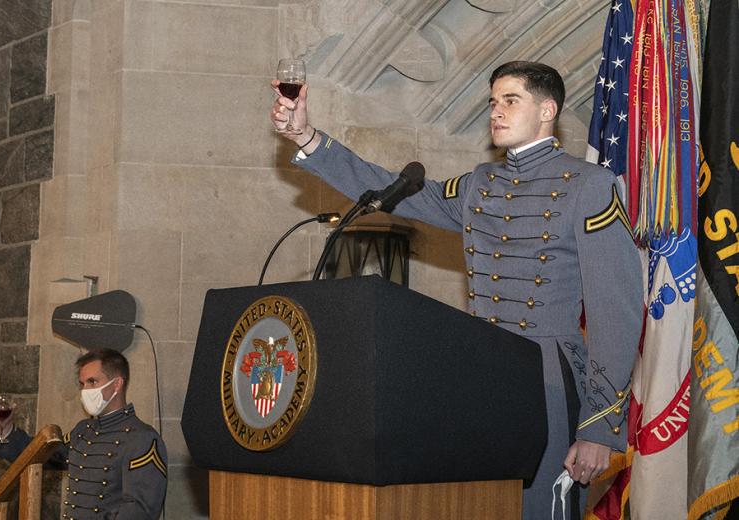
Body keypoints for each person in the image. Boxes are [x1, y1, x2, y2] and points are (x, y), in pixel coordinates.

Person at [270, 61, 643, 519]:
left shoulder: (591, 186)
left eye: (511, 100)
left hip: (548, 378)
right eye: (492, 102)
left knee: (537, 509)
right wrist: (308, 138)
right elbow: (391, 190)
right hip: (478, 374)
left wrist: (599, 429)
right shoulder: (480, 185)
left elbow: (617, 313)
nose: (496, 112)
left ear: (548, 110)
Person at [0, 348, 167, 519]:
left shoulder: (142, 438)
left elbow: (139, 511)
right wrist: (6, 429)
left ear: (117, 384)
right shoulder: (83, 430)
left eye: (92, 382)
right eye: (82, 384)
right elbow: (44, 455)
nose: (86, 390)